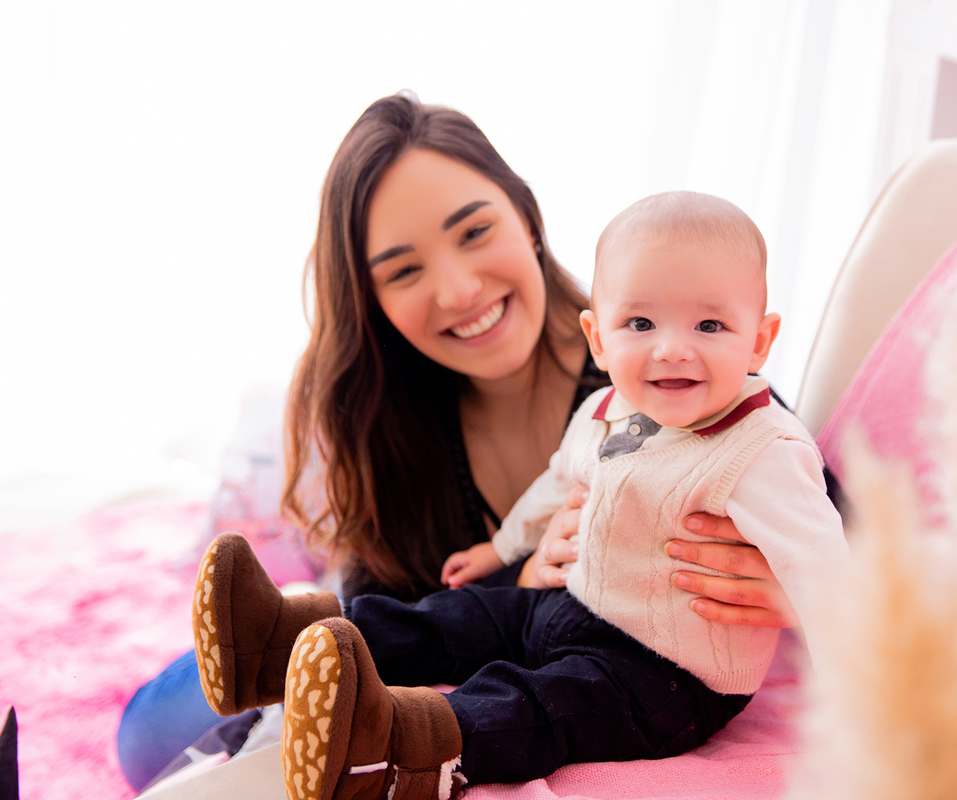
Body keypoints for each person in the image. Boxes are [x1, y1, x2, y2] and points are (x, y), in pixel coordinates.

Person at [117, 93, 803, 791]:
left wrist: (792, 586)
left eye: (474, 231)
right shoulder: (390, 420)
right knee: (149, 736)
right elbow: (435, 619)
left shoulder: (691, 386)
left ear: (527, 218)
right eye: (403, 270)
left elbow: (834, 527)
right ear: (374, 300)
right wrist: (522, 570)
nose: (458, 289)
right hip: (468, 613)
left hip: (629, 658)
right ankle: (283, 630)